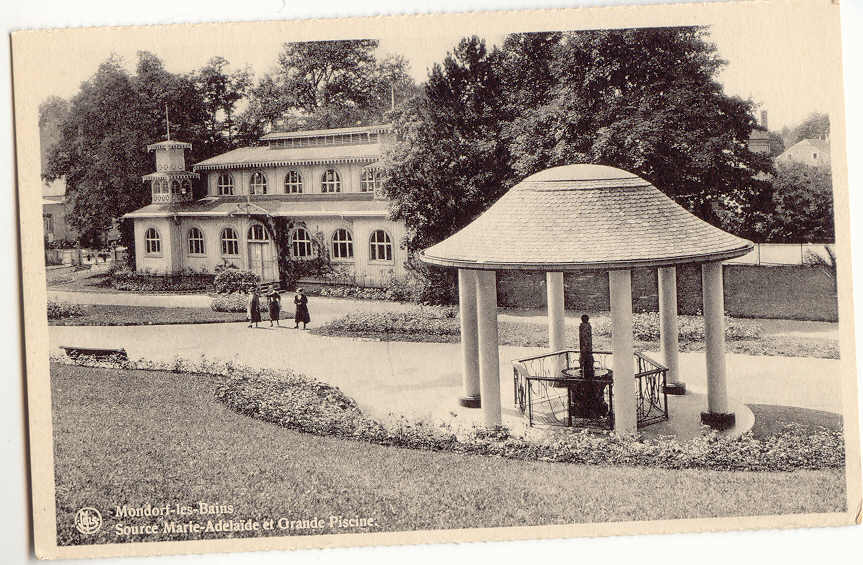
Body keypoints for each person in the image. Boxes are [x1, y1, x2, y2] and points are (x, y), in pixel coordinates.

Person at [579, 314, 595, 379]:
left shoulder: (584, 326)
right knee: (585, 358)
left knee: (586, 358)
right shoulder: (584, 326)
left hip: (586, 348)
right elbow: (583, 337)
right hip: (585, 348)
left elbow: (586, 337)